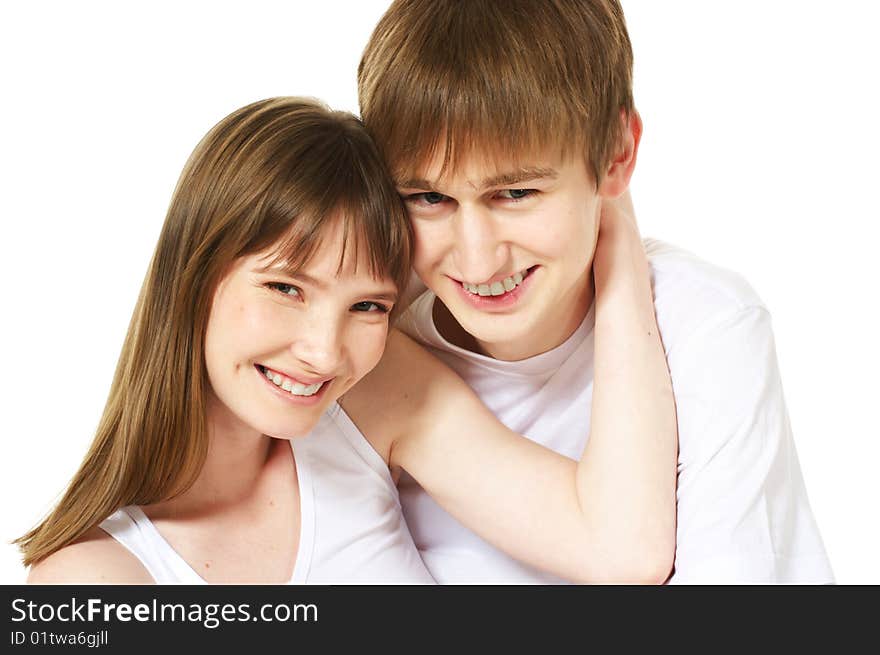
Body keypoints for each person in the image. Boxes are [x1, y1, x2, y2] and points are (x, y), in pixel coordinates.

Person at [17, 96, 676, 584]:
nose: (325, 352)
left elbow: (624, 549)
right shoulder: (94, 579)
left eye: (366, 304)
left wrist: (608, 228)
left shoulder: (372, 397)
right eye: (286, 289)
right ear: (193, 274)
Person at [352, 0, 834, 583]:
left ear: (617, 155)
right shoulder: (364, 351)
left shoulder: (706, 327)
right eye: (429, 199)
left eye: (517, 194)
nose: (478, 258)